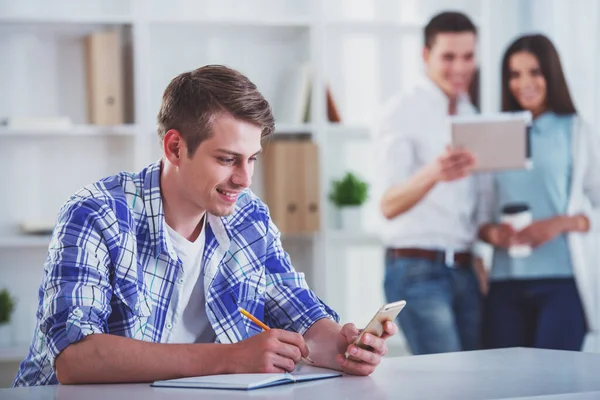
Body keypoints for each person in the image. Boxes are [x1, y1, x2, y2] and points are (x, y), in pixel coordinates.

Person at [13, 65, 398, 387]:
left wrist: (344, 347)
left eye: (252, 159)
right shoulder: (96, 214)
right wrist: (229, 358)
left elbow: (300, 313)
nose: (245, 179)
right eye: (228, 159)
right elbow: (76, 361)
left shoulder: (249, 216)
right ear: (175, 148)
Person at [372, 11, 486, 356]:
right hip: (417, 270)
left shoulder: (471, 114)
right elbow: (388, 204)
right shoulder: (402, 111)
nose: (459, 67)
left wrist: (478, 259)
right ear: (426, 56)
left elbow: (471, 205)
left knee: (480, 379)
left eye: (467, 56)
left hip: (465, 270)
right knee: (449, 381)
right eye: (448, 57)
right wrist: (434, 173)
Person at [478, 34, 600, 350]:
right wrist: (494, 234)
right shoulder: (494, 133)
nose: (524, 83)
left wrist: (559, 224)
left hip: (562, 282)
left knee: (557, 384)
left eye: (534, 72)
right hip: (505, 284)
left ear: (551, 74)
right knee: (508, 388)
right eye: (514, 75)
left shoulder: (576, 130)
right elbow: (479, 216)